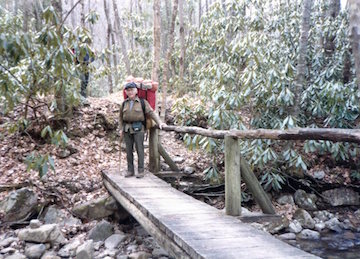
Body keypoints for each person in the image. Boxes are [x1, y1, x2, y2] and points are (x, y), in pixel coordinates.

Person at [119, 82, 166, 178]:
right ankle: (130, 170)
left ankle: (140, 170)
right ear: (126, 92)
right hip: (127, 128)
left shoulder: (142, 102)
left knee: (139, 149)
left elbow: (151, 113)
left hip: (138, 128)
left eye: (132, 90)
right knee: (128, 150)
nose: (130, 92)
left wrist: (159, 122)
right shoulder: (124, 103)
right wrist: (121, 129)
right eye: (128, 90)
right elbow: (120, 117)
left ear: (136, 91)